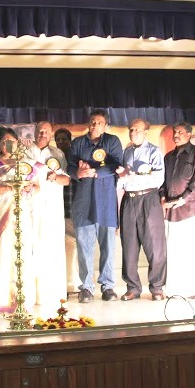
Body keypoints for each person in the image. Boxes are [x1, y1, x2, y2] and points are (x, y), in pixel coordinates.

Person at [67, 109, 123, 303]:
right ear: (88, 123)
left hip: (106, 201)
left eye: (99, 122)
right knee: (84, 247)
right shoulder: (78, 143)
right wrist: (79, 173)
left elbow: (116, 165)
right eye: (93, 121)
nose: (95, 125)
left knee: (108, 246)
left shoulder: (112, 141)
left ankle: (108, 286)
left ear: (105, 125)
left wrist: (95, 172)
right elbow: (70, 166)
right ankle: (86, 288)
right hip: (84, 202)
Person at [0, 128, 39, 313]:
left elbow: (36, 187)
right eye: (4, 141)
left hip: (21, 210)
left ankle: (21, 297)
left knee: (21, 251)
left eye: (12, 141)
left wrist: (28, 188)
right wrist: (13, 187)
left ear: (18, 143)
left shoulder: (25, 163)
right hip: (1, 209)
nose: (8, 145)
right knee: (2, 249)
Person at [116, 119, 166, 301]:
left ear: (146, 131)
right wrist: (123, 177)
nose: (133, 133)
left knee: (155, 245)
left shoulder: (154, 151)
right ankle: (133, 288)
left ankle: (157, 288)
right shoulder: (126, 152)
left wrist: (131, 176)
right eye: (131, 129)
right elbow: (121, 181)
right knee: (129, 245)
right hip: (129, 200)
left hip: (149, 198)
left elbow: (157, 179)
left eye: (137, 130)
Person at [160, 121, 195, 299]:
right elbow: (162, 182)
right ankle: (176, 289)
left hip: (193, 211)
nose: (176, 135)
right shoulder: (168, 157)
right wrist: (163, 197)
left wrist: (182, 200)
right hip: (172, 212)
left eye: (180, 132)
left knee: (194, 251)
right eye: (175, 132)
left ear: (189, 134)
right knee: (175, 252)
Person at [26, 121, 69, 307]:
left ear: (51, 134)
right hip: (31, 207)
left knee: (53, 248)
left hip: (53, 208)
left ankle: (53, 293)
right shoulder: (26, 153)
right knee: (32, 248)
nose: (43, 134)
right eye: (40, 130)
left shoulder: (58, 154)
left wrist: (55, 177)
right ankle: (32, 295)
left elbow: (67, 180)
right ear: (34, 132)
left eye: (46, 131)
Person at [55, 128, 80, 294]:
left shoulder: (75, 159)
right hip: (56, 210)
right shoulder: (54, 158)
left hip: (73, 209)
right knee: (60, 250)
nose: (61, 142)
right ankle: (61, 284)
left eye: (64, 139)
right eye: (58, 140)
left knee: (75, 249)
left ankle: (75, 284)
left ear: (70, 141)